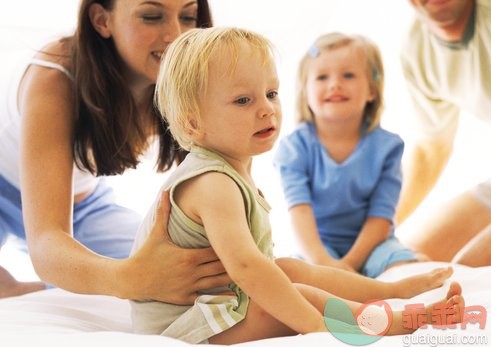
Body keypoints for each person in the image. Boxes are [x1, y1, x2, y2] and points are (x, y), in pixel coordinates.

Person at [130, 26, 463, 344]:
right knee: (294, 293)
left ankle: (389, 293)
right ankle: (401, 322)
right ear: (193, 121)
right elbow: (247, 268)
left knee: (289, 268)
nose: (267, 109)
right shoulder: (212, 183)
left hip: (212, 303)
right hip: (185, 323)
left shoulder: (227, 169)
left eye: (271, 93)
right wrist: (315, 326)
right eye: (243, 101)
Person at [0, 0, 231, 301]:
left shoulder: (179, 82)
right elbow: (47, 243)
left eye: (188, 16)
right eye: (151, 16)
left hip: (85, 205)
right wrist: (133, 279)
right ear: (101, 21)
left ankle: (28, 291)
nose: (176, 35)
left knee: (195, 270)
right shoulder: (54, 77)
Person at [273, 33, 418, 278]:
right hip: (318, 248)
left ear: (372, 91)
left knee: (403, 270)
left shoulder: (388, 148)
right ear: (305, 92)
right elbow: (299, 212)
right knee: (298, 281)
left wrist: (349, 265)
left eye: (348, 75)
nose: (334, 84)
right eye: (321, 77)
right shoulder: (294, 148)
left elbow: (382, 216)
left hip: (375, 246)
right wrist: (323, 262)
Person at [396, 0, 491, 266]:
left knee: (466, 270)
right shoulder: (417, 49)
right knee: (400, 261)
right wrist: (379, 227)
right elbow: (431, 150)